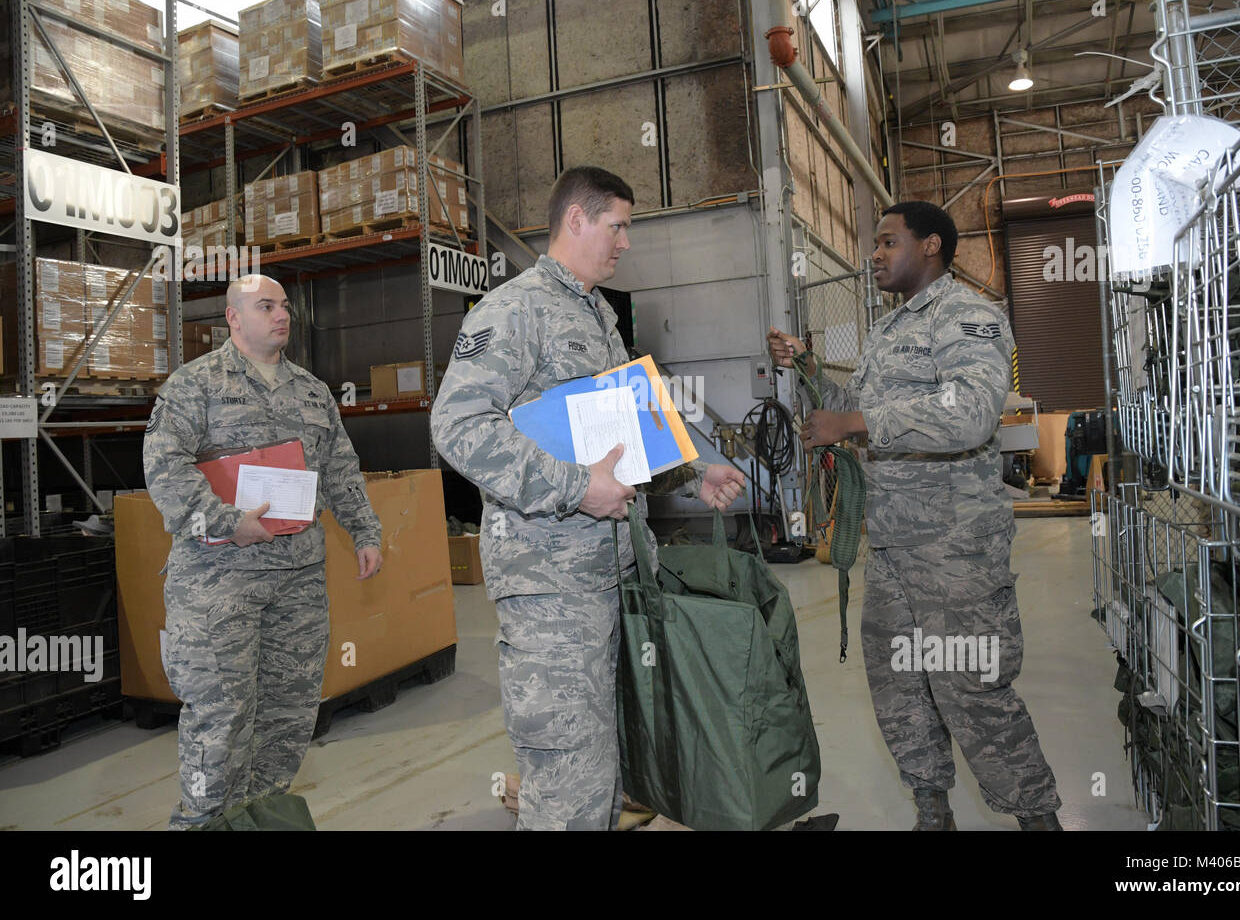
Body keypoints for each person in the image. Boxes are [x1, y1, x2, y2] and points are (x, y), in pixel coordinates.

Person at [430, 165, 747, 831]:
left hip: (612, 574)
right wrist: (575, 488)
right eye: (618, 225)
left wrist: (696, 468)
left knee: (604, 771)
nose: (626, 241)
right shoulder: (513, 311)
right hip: (550, 587)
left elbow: (625, 429)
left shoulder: (597, 313)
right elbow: (456, 426)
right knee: (567, 777)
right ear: (576, 220)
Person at [768, 201, 1062, 831]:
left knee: (972, 688)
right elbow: (868, 414)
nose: (874, 255)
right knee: (900, 687)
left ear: (931, 245)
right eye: (873, 244)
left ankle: (1038, 818)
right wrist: (812, 370)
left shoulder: (969, 317)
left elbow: (971, 414)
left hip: (954, 547)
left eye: (887, 242)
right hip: (894, 545)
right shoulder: (886, 330)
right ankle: (933, 811)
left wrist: (855, 421)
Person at [143, 273, 383, 829]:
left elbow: (341, 469)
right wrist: (228, 523)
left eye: (284, 307)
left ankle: (261, 818)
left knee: (287, 714)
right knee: (221, 719)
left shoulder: (311, 391)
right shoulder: (193, 385)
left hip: (297, 582)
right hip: (217, 583)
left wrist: (365, 532)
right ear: (232, 317)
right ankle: (202, 825)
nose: (283, 316)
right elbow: (165, 469)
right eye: (266, 306)